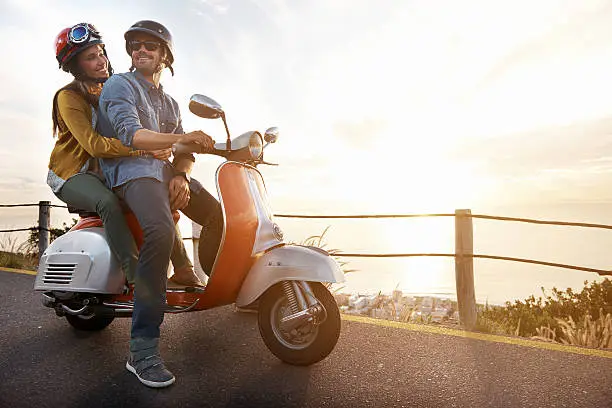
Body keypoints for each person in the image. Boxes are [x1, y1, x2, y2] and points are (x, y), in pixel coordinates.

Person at [96, 20, 223, 388]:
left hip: (162, 172)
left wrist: (181, 174)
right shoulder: (121, 85)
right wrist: (181, 140)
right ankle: (142, 348)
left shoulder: (168, 102)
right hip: (129, 173)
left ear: (164, 54)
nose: (141, 50)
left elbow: (183, 153)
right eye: (135, 45)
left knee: (217, 215)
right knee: (161, 230)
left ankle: (222, 283)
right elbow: (132, 134)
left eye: (150, 46)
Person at [49, 23, 204, 288]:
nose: (101, 62)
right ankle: (135, 277)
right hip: (75, 173)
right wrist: (143, 148)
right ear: (76, 66)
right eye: (90, 58)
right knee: (107, 202)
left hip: (108, 169)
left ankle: (184, 270)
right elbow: (94, 145)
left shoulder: (116, 85)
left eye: (101, 53)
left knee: (158, 191)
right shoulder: (69, 97)